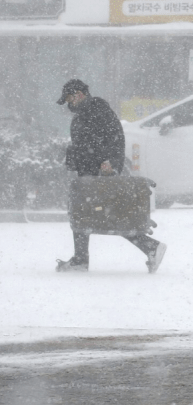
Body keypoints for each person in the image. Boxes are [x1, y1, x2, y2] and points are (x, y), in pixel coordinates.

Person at [55, 79, 167, 273]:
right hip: (89, 172)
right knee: (91, 213)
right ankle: (148, 247)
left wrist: (111, 162)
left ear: (79, 95)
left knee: (101, 215)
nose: (68, 104)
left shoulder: (97, 109)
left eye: (69, 99)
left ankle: (149, 247)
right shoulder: (85, 112)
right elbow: (86, 142)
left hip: (100, 172)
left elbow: (115, 137)